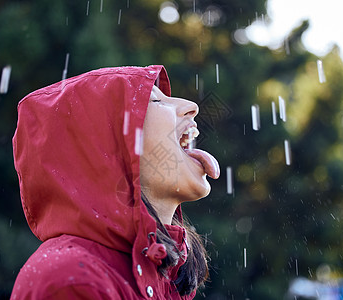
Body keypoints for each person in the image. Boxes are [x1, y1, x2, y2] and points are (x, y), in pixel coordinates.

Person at [11, 65, 220, 299]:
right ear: (103, 151)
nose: (192, 107)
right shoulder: (71, 281)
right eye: (156, 101)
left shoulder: (163, 277)